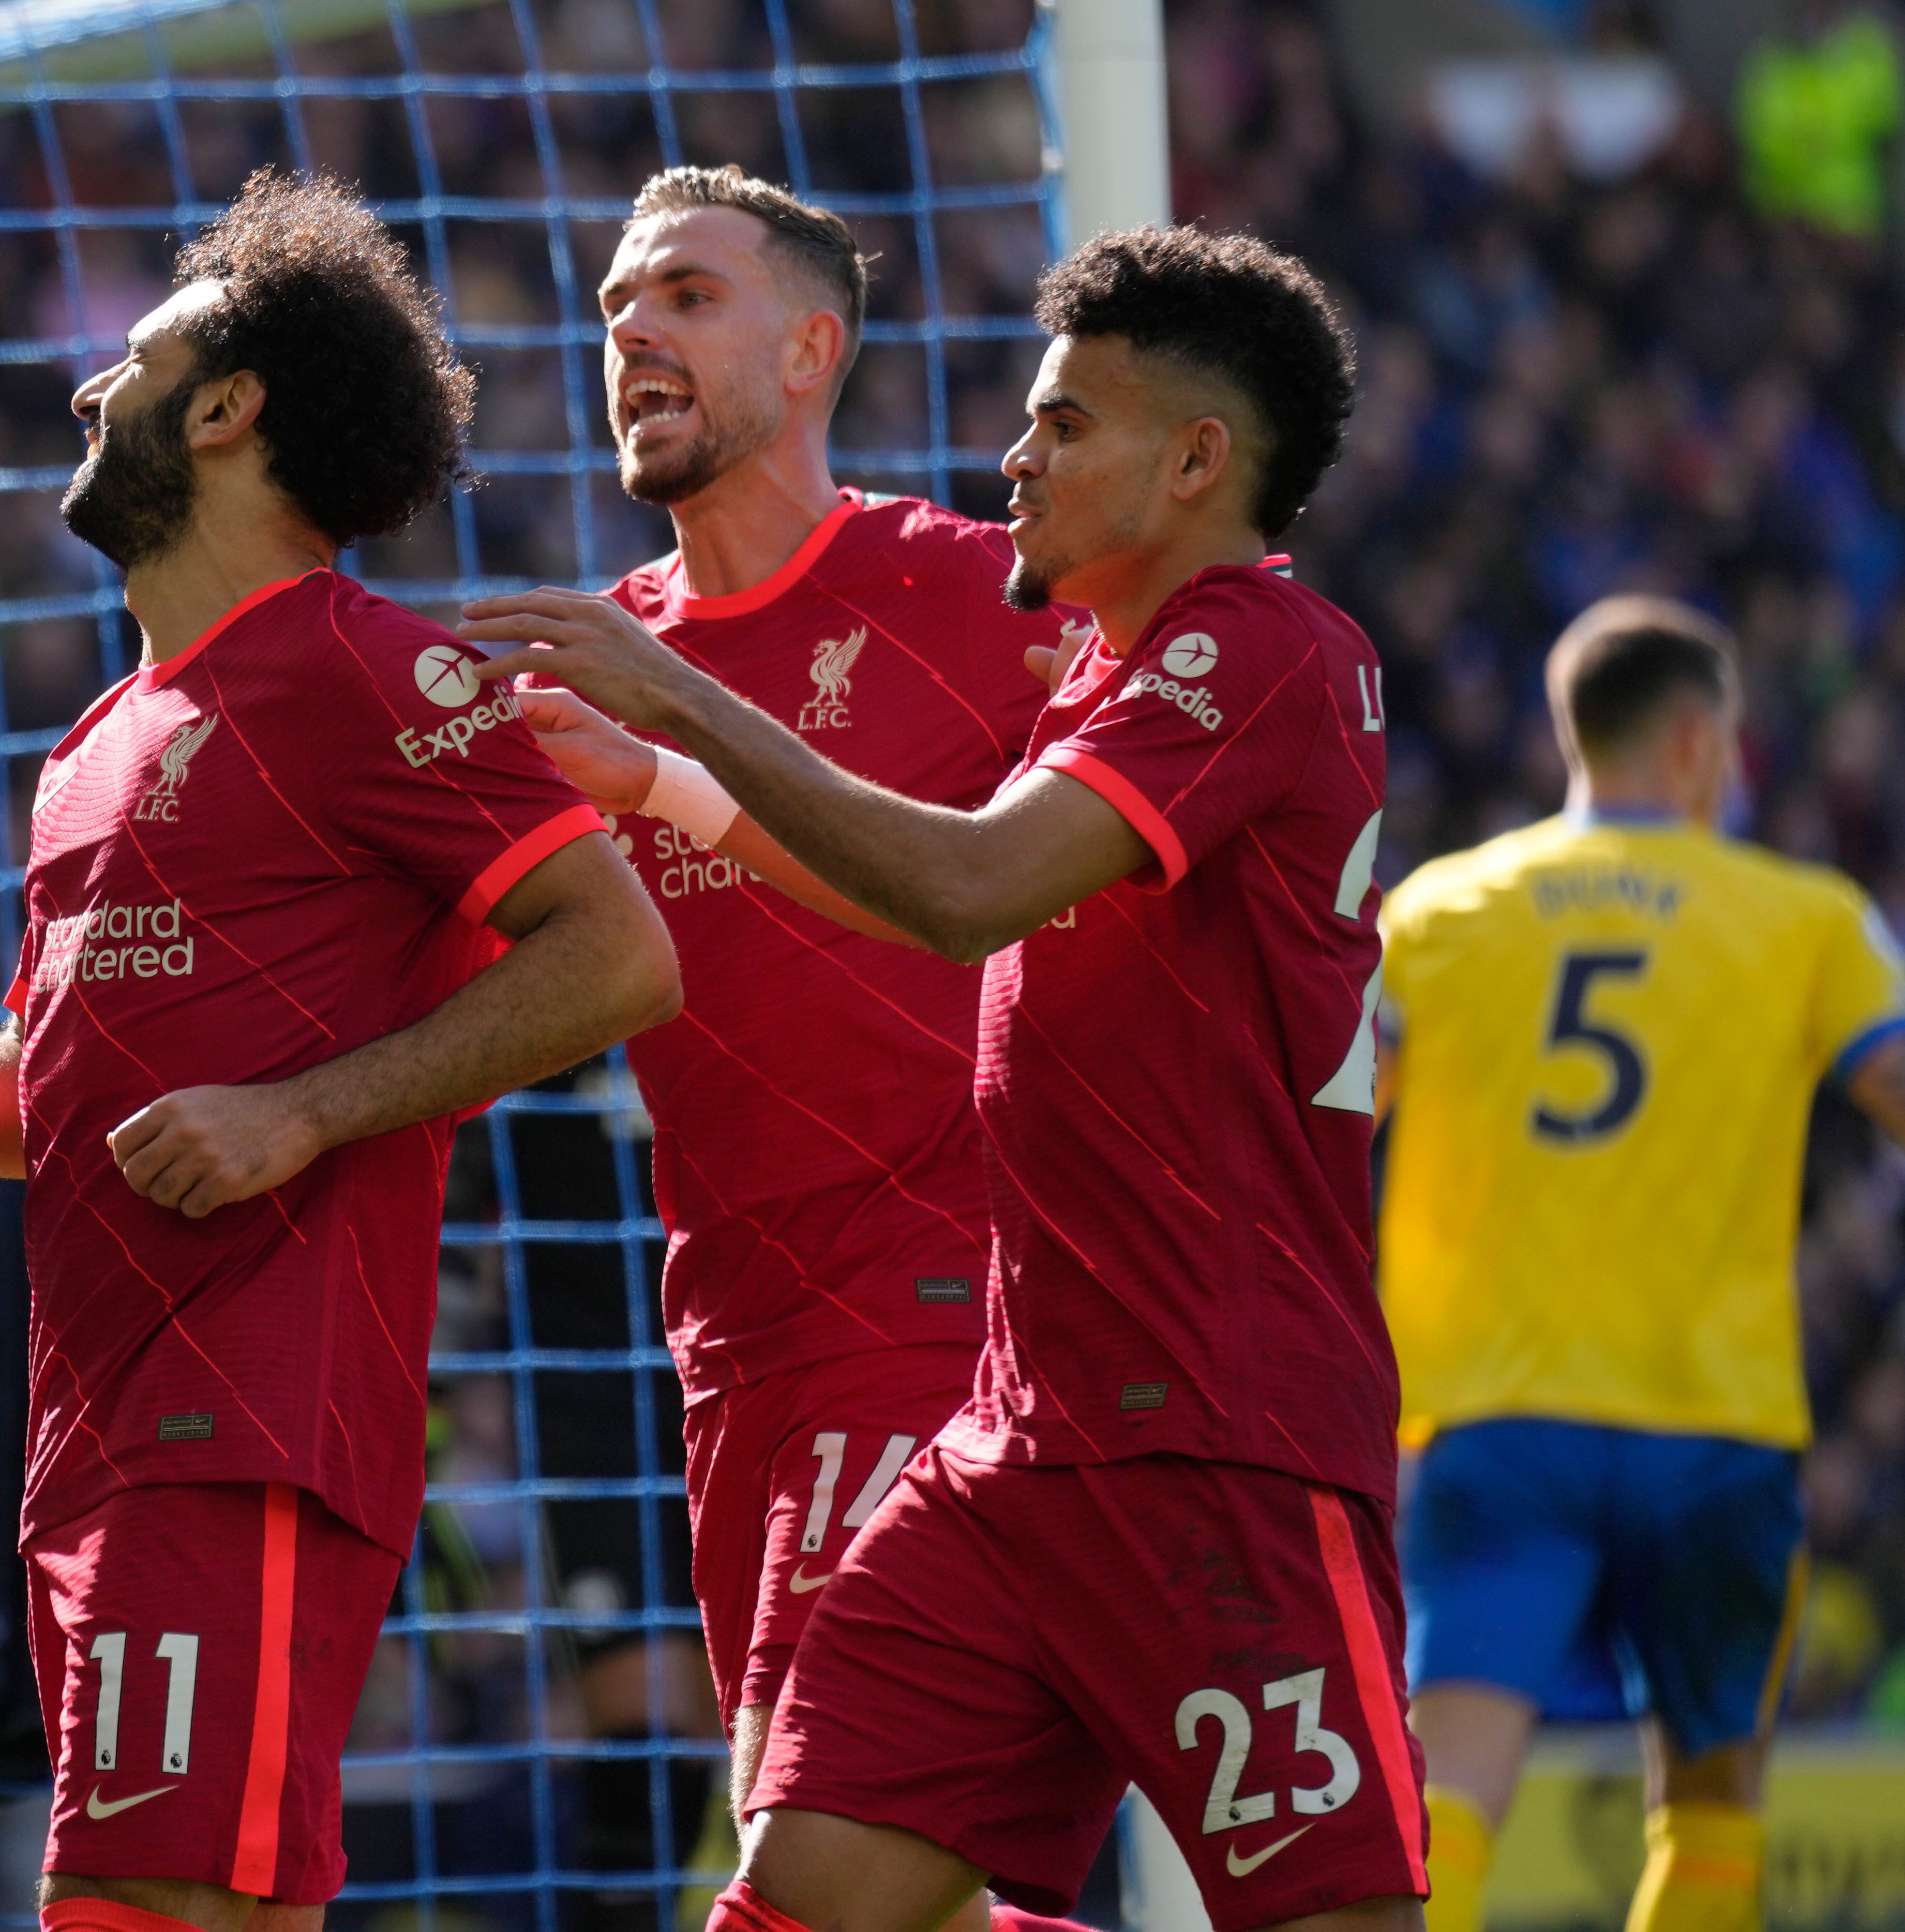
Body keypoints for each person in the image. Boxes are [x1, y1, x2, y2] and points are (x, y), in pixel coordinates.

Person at [460, 225, 1426, 1932]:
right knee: (802, 1891)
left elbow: (965, 885)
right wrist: (669, 788)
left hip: (1217, 1430)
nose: (1014, 458)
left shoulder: (1254, 651)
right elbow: (933, 899)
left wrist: (682, 705)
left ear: (1197, 459)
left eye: (1063, 427)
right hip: (1011, 1439)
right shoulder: (1107, 689)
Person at [0, 170, 680, 1932]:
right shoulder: (95, 740)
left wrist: (303, 1113)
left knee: (140, 1902)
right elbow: (91, 1100)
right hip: (96, 1438)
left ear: (224, 408)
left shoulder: (366, 667)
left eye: (126, 363)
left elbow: (621, 954)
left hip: (246, 1426)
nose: (84, 392)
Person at [1371, 595, 1905, 1932]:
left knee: (1448, 1787)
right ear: (1698, 742)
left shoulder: (1438, 912)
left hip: (1491, 1414)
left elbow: (1318, 1111)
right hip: (1712, 1430)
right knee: (1707, 1808)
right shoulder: (1801, 916)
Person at [498, 164, 1084, 1931]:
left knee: (806, 1879)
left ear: (812, 346)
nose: (630, 331)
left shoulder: (983, 597)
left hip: (943, 1315)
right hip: (732, 1353)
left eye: (683, 295)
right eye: (614, 305)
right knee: (903, 1886)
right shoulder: (588, 669)